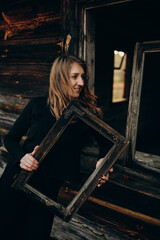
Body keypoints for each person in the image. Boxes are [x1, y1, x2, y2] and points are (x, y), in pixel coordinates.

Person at [0, 55, 113, 240]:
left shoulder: (83, 115)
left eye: (83, 77)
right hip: (15, 181)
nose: (81, 82)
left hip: (46, 193)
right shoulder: (37, 105)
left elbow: (109, 143)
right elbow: (10, 139)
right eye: (75, 76)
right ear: (60, 77)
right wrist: (23, 157)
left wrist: (104, 162)